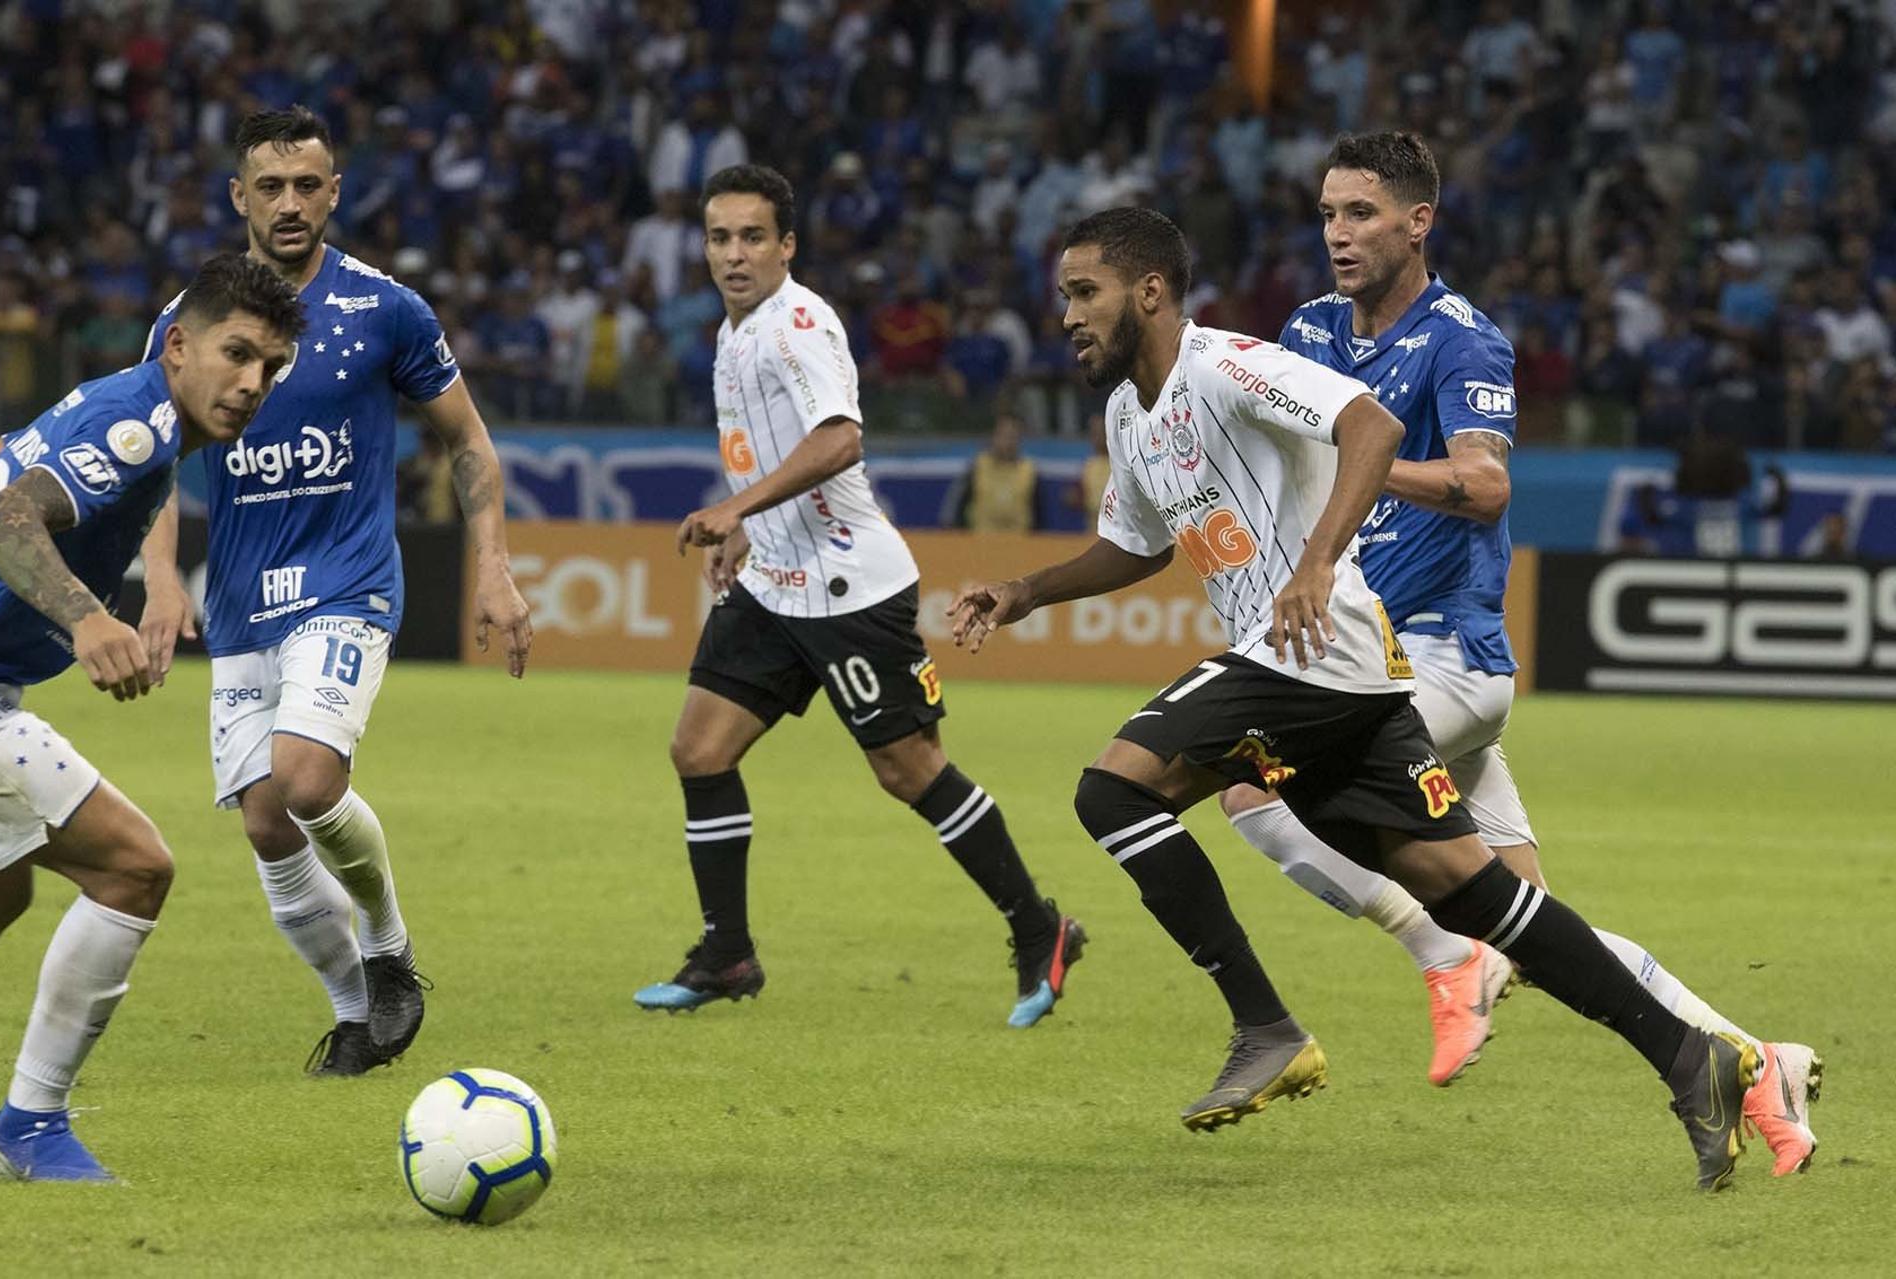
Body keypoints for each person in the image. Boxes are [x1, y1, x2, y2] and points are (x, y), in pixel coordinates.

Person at [950, 207, 1760, 1191]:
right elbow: (1140, 543)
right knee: (1479, 894)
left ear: (1151, 290)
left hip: (1307, 648)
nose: (1067, 315)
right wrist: (1024, 590)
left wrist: (1315, 563)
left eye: (1086, 293)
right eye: (1063, 297)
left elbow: (1369, 427)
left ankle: (1266, 1028)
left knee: (1114, 790)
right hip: (1340, 680)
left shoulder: (1227, 363)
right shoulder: (1131, 411)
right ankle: (1695, 1059)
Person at [1214, 128, 1821, 1178]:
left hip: (1445, 663)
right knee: (1535, 927)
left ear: (1417, 222)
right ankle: (1761, 1065)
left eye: (1360, 214)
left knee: (1251, 787)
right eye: (1325, 214)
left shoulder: (1463, 339)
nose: (1337, 234)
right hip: (1372, 661)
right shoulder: (1306, 330)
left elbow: (1485, 485)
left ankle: (1443, 953)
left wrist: (1364, 460)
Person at [634, 164, 1083, 1028]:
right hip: (774, 580)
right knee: (699, 748)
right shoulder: (736, 333)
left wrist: (734, 506)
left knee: (909, 772)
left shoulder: (797, 322)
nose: (734, 254)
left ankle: (1040, 926)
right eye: (720, 237)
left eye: (753, 237)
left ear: (787, 245)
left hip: (849, 586)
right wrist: (745, 529)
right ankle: (727, 951)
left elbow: (840, 438)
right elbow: (772, 453)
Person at [136, 107, 532, 1077]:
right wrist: (157, 584)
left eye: (308, 184)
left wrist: (495, 564)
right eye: (269, 186)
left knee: (309, 782)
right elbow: (151, 461)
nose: (290, 203)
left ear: (335, 193)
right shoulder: (187, 325)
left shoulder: (385, 310)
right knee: (269, 819)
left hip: (346, 582)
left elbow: (467, 441)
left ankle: (390, 949)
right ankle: (357, 1012)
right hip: (237, 600)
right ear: (239, 197)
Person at [0, 253, 303, 1180]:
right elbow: (6, 517)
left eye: (271, 368)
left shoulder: (130, 408)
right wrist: (86, 617)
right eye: (237, 354)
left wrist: (155, 584)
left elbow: (2, 461)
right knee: (133, 867)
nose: (251, 383)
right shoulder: (136, 426)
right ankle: (28, 1128)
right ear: (179, 345)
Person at [948, 412, 1042, 533]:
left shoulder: (1029, 471)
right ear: (993, 437)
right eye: (1003, 436)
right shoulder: (978, 467)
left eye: (1013, 437)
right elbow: (955, 508)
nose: (1007, 442)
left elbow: (1039, 515)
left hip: (1018, 544)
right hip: (980, 542)